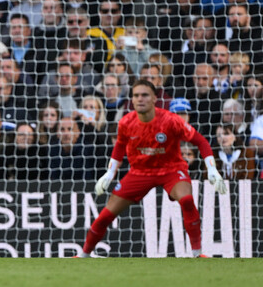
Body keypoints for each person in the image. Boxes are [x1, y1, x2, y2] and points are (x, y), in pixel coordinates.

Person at [78, 79, 228, 258]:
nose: (140, 99)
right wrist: (109, 174)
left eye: (144, 95)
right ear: (132, 99)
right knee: (105, 215)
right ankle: (83, 255)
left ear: (154, 99)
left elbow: (201, 141)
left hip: (171, 169)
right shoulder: (126, 122)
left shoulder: (171, 120)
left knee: (187, 200)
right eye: (136, 95)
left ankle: (198, 253)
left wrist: (212, 169)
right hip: (139, 172)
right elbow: (119, 148)